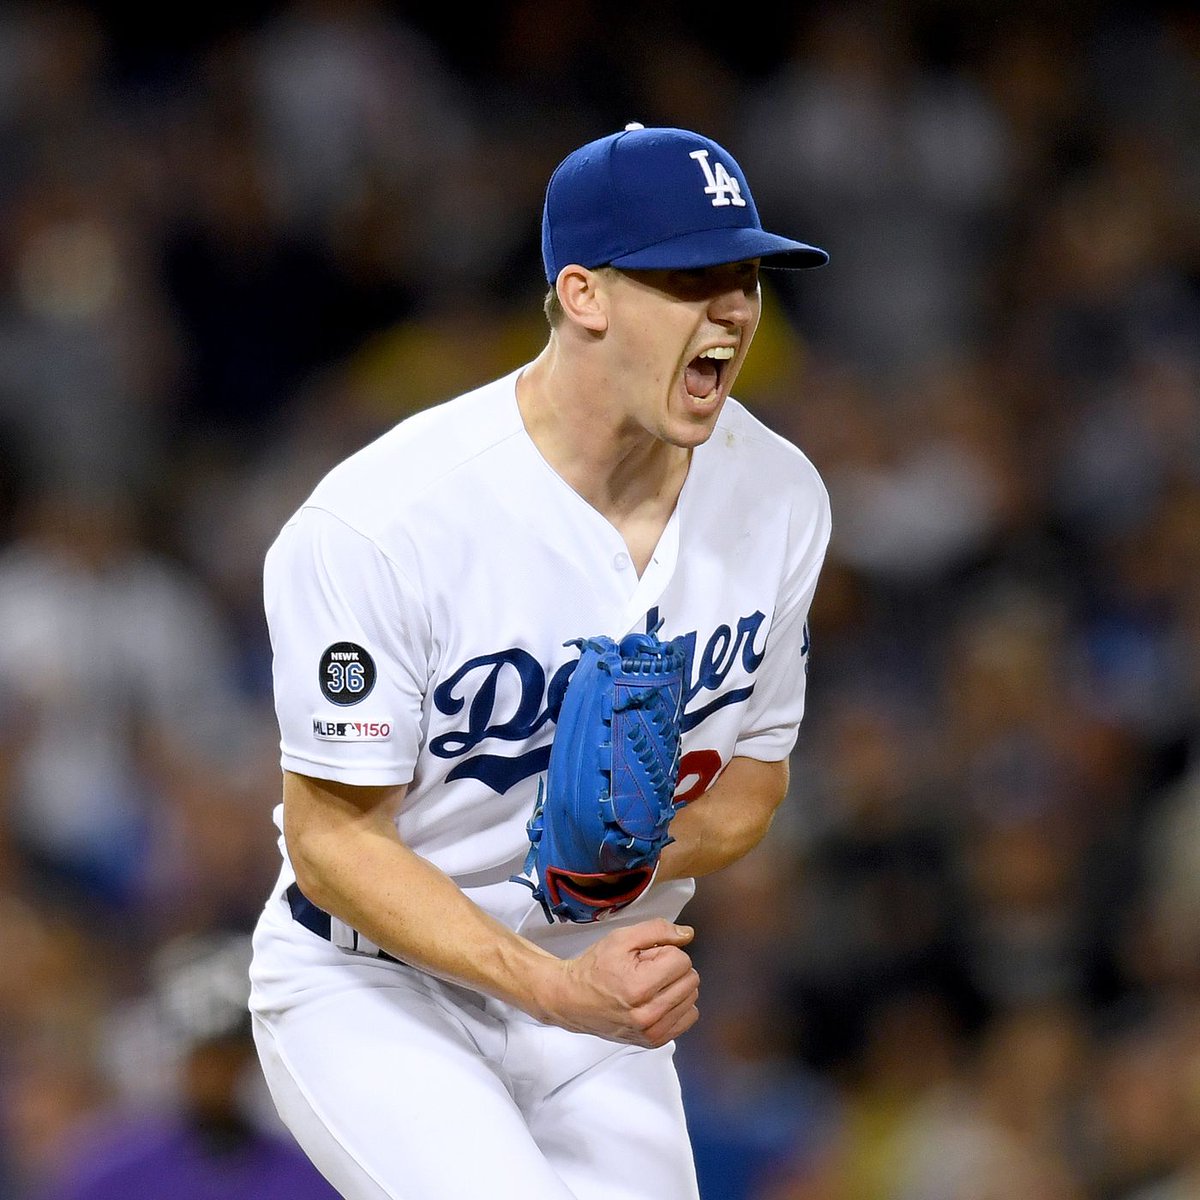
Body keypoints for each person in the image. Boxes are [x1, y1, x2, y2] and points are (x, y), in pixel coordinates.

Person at [248, 122, 832, 1200]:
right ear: (582, 294)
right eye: (690, 278)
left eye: (746, 277)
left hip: (595, 976)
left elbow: (756, 780)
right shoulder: (386, 523)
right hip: (376, 986)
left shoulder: (780, 495)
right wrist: (550, 986)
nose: (733, 311)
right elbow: (331, 840)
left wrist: (625, 850)